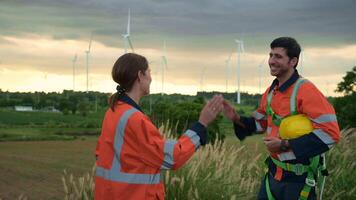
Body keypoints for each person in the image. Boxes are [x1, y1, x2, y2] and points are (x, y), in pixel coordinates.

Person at [223, 37, 340, 200]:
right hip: (273, 176)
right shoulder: (271, 92)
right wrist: (236, 118)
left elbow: (331, 134)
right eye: (270, 55)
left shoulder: (306, 90)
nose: (271, 61)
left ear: (293, 61)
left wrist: (285, 144)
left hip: (298, 181)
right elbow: (260, 124)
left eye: (278, 56)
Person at [94, 53, 223, 200]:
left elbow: (102, 155)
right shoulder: (135, 119)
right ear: (140, 76)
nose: (151, 78)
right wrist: (201, 125)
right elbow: (173, 156)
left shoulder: (113, 111)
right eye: (149, 72)